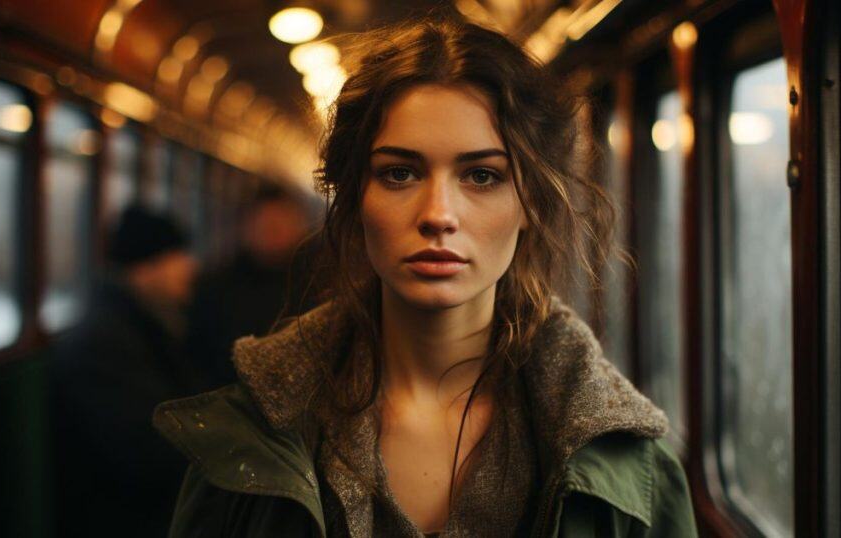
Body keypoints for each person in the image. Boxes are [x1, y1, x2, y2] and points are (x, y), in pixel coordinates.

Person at [153, 17, 697, 537]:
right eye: (399, 173)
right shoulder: (249, 436)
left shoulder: (626, 461)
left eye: (482, 175)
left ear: (531, 201)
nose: (438, 213)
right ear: (354, 198)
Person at [51, 205, 207, 538]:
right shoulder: (103, 344)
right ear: (146, 267)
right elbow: (146, 453)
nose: (191, 266)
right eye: (177, 255)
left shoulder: (143, 326)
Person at [187, 186, 317, 387]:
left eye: (280, 225)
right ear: (245, 228)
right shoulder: (216, 287)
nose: (273, 233)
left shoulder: (317, 284)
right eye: (265, 226)